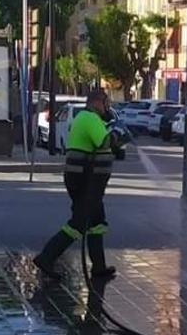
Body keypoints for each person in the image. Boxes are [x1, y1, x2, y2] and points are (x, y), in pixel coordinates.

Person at [33, 89, 128, 281]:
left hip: (89, 180)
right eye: (106, 103)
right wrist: (118, 132)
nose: (107, 107)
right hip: (86, 180)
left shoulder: (91, 119)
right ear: (97, 102)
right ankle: (46, 257)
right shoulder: (89, 119)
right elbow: (103, 142)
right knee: (79, 222)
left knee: (97, 223)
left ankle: (98, 267)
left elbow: (107, 146)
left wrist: (118, 137)